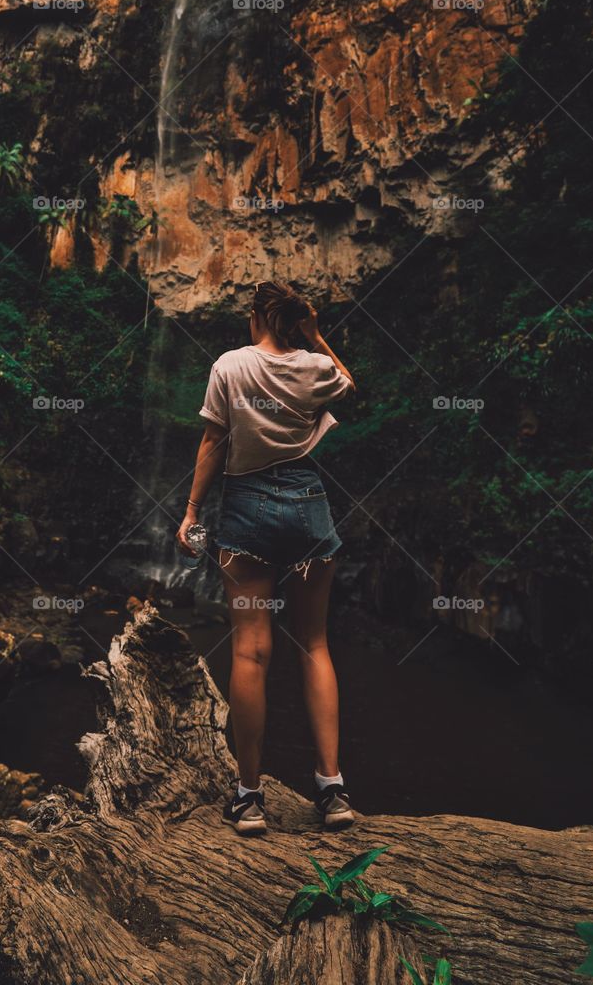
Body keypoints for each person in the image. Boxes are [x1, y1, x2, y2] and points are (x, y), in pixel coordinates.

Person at [176, 280, 356, 836]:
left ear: (255, 315)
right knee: (315, 644)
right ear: (295, 320)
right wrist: (317, 334)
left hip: (247, 509)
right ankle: (332, 791)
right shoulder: (314, 366)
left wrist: (191, 512)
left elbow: (213, 443)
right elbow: (348, 382)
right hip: (308, 506)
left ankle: (249, 798)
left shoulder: (229, 365)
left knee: (252, 652)